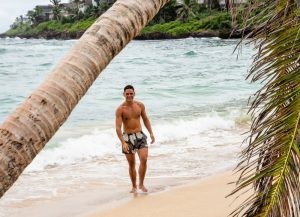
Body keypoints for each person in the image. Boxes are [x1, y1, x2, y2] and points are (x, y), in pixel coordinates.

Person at [115, 85, 155, 193]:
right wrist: (123, 142)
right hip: (127, 138)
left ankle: (141, 184)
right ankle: (133, 186)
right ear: (123, 94)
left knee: (144, 159)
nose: (129, 95)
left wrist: (151, 133)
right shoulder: (120, 109)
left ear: (134, 93)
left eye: (131, 93)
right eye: (127, 94)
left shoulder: (140, 105)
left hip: (140, 136)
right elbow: (118, 128)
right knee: (131, 164)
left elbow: (145, 119)